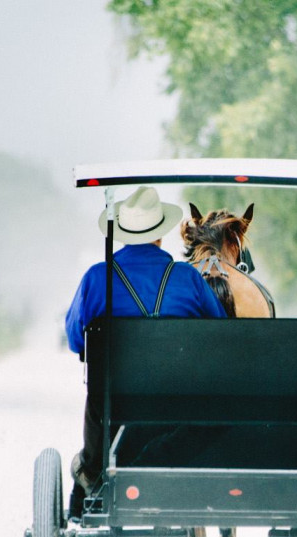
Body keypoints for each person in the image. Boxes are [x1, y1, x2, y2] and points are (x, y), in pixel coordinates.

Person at [64, 186, 227, 519]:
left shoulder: (98, 278)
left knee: (97, 391)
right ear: (160, 235)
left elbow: (75, 341)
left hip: (116, 406)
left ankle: (92, 472)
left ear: (124, 233)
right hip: (181, 408)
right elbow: (219, 335)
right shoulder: (188, 279)